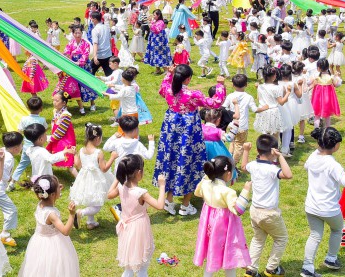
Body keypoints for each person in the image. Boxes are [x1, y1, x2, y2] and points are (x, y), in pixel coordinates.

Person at [154, 65, 222, 216]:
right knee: (190, 162)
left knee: (171, 159)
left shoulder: (167, 89)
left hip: (171, 131)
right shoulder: (193, 94)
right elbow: (215, 103)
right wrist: (220, 85)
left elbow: (161, 89)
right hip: (188, 133)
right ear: (188, 79)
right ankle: (185, 205)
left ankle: (169, 201)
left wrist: (168, 75)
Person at [301, 127, 345, 277]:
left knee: (315, 235)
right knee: (337, 230)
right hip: (329, 208)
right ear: (335, 145)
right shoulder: (333, 165)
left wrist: (317, 151)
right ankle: (331, 258)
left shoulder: (313, 157)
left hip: (311, 206)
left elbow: (306, 166)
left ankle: (307, 267)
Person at [239, 136, 291, 277]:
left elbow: (243, 167)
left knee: (258, 239)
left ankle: (251, 269)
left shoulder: (253, 165)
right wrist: (280, 157)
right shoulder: (272, 169)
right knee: (281, 238)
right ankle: (272, 268)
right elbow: (288, 174)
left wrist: (245, 150)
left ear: (257, 149)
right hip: (270, 213)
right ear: (274, 151)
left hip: (255, 211)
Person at [106, 155, 166, 277]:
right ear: (139, 172)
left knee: (128, 267)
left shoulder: (120, 187)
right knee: (142, 268)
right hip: (139, 229)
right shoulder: (141, 193)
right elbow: (160, 206)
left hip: (126, 229)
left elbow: (109, 194)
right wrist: (162, 186)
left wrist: (118, 178)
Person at [192, 156, 251, 276]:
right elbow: (238, 210)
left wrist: (205, 178)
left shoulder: (206, 184)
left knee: (211, 252)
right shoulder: (228, 192)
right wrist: (245, 191)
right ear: (228, 174)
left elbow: (197, 192)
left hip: (209, 224)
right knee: (229, 253)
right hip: (224, 227)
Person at [17, 175, 80, 277]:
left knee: (40, 267)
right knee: (54, 268)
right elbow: (65, 231)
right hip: (53, 245)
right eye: (57, 187)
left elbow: (48, 195)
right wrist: (72, 214)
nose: (60, 187)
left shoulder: (41, 202)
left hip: (38, 242)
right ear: (52, 194)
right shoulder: (51, 214)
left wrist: (55, 190)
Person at [70, 124, 117, 229]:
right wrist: (112, 158)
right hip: (96, 179)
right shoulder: (98, 152)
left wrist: (75, 154)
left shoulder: (82, 150)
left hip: (85, 178)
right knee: (97, 205)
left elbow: (78, 165)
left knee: (92, 199)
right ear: (97, 138)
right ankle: (80, 213)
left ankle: (90, 222)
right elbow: (104, 168)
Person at [0, 133, 22, 247]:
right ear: (16, 148)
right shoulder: (8, 158)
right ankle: (5, 234)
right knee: (11, 210)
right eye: (21, 145)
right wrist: (10, 179)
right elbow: (2, 173)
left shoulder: (3, 151)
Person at [10, 97, 46, 188]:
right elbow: (44, 129)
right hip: (38, 148)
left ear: (27, 107)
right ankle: (38, 183)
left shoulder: (24, 119)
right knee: (39, 165)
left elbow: (19, 131)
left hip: (26, 147)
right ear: (41, 108)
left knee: (22, 165)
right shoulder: (42, 120)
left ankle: (11, 183)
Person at [143, 10, 172, 74]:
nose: (153, 16)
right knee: (154, 53)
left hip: (159, 41)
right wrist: (151, 22)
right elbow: (151, 29)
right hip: (154, 39)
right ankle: (157, 69)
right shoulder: (155, 21)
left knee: (159, 54)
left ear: (158, 15)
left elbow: (157, 30)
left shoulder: (161, 22)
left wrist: (152, 24)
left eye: (154, 15)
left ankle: (166, 69)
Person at [89, 11, 113, 76]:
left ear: (95, 19)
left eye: (92, 18)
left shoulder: (95, 30)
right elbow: (110, 41)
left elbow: (95, 43)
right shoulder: (106, 28)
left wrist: (95, 56)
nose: (91, 20)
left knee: (89, 72)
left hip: (99, 55)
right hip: (108, 54)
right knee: (109, 75)